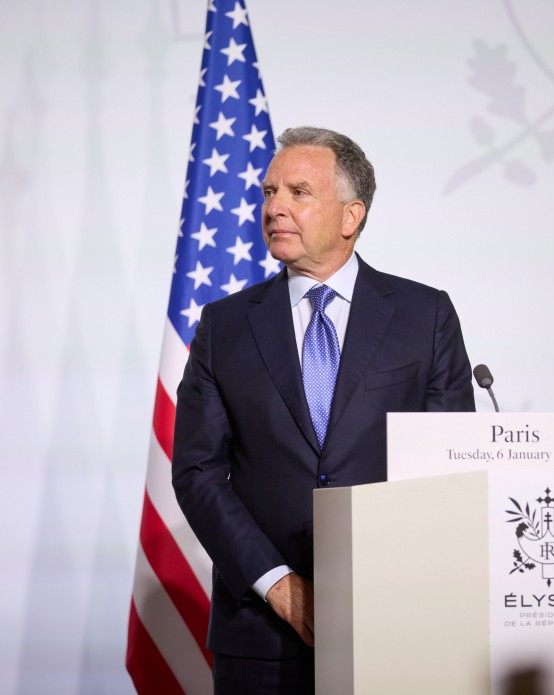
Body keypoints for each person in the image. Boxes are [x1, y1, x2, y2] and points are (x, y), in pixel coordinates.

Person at [172, 126, 475, 693]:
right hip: (261, 633)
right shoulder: (224, 326)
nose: (274, 208)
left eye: (298, 192)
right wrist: (277, 583)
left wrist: (376, 584)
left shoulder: (424, 316)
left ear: (350, 216)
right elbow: (197, 471)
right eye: (269, 192)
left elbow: (448, 466)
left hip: (393, 622)